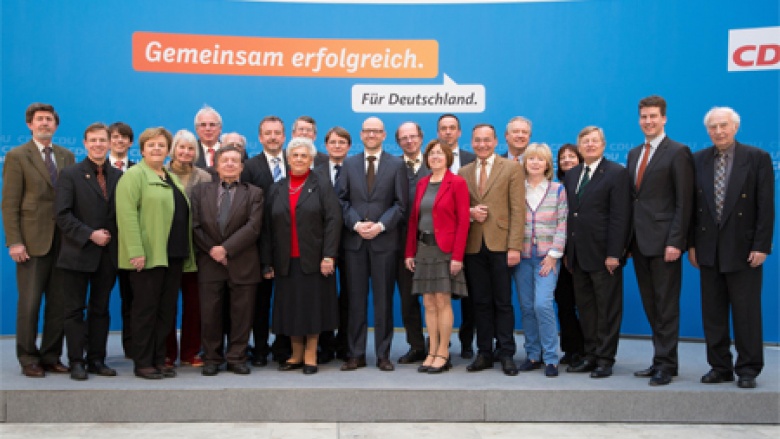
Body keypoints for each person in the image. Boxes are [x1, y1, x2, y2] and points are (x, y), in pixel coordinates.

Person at [689, 107, 774, 389]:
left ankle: (748, 368)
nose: (719, 131)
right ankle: (720, 366)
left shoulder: (757, 158)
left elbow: (766, 207)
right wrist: (691, 244)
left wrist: (762, 245)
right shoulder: (698, 159)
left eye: (724, 126)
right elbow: (692, 208)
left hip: (744, 248)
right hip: (708, 248)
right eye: (713, 127)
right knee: (712, 312)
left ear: (735, 127)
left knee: (746, 312)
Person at [116, 127, 196, 380]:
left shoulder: (168, 176)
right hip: (147, 257)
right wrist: (136, 252)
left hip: (171, 256)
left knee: (165, 311)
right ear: (141, 150)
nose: (157, 149)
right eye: (152, 145)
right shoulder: (134, 176)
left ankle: (159, 358)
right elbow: (127, 216)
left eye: (162, 145)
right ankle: (143, 362)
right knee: (145, 311)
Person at [2, 102, 75, 378]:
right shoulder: (18, 156)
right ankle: (28, 357)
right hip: (32, 242)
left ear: (56, 126)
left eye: (49, 120)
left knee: (59, 304)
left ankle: (51, 355)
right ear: (30, 124)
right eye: (39, 119)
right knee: (30, 304)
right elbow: (9, 204)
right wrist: (15, 241)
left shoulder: (67, 156)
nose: (45, 123)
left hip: (64, 243)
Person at [627, 95, 694, 386]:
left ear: (664, 118)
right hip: (640, 243)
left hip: (665, 242)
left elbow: (684, 201)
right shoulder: (633, 154)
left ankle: (665, 365)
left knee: (666, 306)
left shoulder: (678, 152)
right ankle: (662, 360)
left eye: (653, 116)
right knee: (652, 305)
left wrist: (676, 241)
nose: (648, 121)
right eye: (644, 116)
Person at [263, 138, 342, 375]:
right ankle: (296, 354)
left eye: (303, 156)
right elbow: (267, 227)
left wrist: (329, 256)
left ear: (311, 159)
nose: (298, 159)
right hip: (285, 262)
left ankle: (310, 355)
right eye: (294, 155)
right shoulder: (276, 188)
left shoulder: (322, 184)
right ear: (288, 159)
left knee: (313, 309)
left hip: (315, 261)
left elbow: (333, 221)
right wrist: (267, 262)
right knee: (291, 310)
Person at [337, 116, 408, 372]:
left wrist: (380, 226)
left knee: (383, 302)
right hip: (355, 242)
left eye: (376, 131)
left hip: (384, 242)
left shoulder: (397, 164)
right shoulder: (349, 163)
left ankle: (382, 355)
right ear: (361, 134)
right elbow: (341, 201)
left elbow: (401, 204)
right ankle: (355, 354)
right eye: (367, 131)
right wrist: (356, 224)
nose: (371, 135)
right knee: (355, 301)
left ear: (384, 135)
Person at [55, 123, 121, 381]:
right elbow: (62, 214)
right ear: (84, 143)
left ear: (109, 143)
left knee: (101, 310)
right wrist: (89, 234)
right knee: (74, 310)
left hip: (107, 256)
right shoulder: (70, 174)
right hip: (77, 253)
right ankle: (76, 361)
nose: (97, 144)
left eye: (102, 140)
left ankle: (97, 359)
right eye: (92, 140)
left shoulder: (117, 175)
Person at [563, 126, 631, 379]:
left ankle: (605, 358)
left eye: (594, 141)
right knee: (586, 308)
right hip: (578, 255)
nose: (590, 145)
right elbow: (571, 215)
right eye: (585, 142)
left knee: (607, 309)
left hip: (605, 255)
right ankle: (590, 354)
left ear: (603, 145)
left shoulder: (616, 173)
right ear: (579, 147)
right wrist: (569, 251)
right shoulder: (572, 174)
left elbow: (620, 216)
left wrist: (615, 253)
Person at [458, 124, 525, 376]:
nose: (482, 144)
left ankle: (506, 352)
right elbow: (457, 208)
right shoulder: (464, 172)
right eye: (477, 140)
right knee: (480, 302)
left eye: (487, 139)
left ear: (496, 141)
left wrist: (514, 246)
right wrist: (469, 213)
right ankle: (484, 352)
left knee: (503, 302)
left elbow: (518, 210)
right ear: (472, 142)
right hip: (473, 246)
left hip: (501, 245)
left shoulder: (511, 168)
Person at [191, 146, 263, 376]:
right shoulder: (200, 191)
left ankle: (237, 357)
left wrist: (226, 249)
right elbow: (194, 225)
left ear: (242, 167)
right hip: (209, 262)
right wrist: (213, 250)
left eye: (235, 161)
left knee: (242, 315)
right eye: (226, 160)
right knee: (210, 314)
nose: (230, 164)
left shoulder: (254, 193)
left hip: (243, 263)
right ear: (216, 165)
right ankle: (212, 357)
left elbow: (253, 227)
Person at [404, 139, 470, 374]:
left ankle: (443, 352)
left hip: (446, 251)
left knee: (442, 301)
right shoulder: (422, 183)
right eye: (431, 154)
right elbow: (414, 219)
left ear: (448, 158)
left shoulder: (457, 183)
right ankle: (431, 351)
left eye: (440, 154)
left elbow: (463, 222)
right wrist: (410, 251)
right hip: (423, 249)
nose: (435, 157)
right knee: (428, 303)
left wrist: (457, 257)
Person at [514, 143, 568, 377]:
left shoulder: (557, 190)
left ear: (547, 164)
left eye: (540, 159)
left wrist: (554, 255)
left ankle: (550, 358)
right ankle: (533, 354)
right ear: (524, 163)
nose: (535, 163)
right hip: (522, 258)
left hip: (547, 258)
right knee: (526, 307)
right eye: (531, 159)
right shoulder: (517, 189)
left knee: (542, 305)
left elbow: (563, 224)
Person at [241, 115, 291, 366]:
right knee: (260, 302)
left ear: (284, 136)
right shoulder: (249, 167)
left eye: (277, 133)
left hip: (291, 246)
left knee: (288, 300)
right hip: (259, 246)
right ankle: (259, 349)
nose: (273, 137)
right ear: (260, 138)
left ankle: (284, 347)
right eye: (268, 133)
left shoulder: (295, 163)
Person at [164, 129, 213, 368]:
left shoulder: (204, 177)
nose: (186, 152)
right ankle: (167, 353)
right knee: (167, 303)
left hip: (197, 249)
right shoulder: (161, 173)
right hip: (168, 248)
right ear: (173, 150)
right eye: (181, 147)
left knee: (195, 305)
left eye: (190, 148)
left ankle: (190, 352)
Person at [437, 113, 476, 359]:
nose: (448, 132)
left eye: (452, 128)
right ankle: (440, 343)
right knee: (438, 296)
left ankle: (466, 341)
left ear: (459, 132)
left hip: (469, 238)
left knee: (467, 295)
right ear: (438, 132)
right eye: (443, 128)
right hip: (436, 240)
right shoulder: (429, 160)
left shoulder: (473, 160)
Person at [313, 127, 353, 363]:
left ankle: (345, 344)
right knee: (324, 296)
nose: (337, 146)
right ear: (325, 146)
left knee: (350, 295)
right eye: (333, 142)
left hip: (350, 241)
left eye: (342, 142)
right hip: (322, 244)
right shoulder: (315, 172)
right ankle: (325, 344)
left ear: (349, 146)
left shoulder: (357, 169)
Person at [395, 122, 430, 365]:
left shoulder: (436, 164)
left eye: (413, 137)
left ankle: (439, 345)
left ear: (421, 138)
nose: (409, 141)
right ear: (398, 142)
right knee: (408, 301)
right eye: (404, 138)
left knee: (435, 300)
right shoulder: (392, 167)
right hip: (400, 245)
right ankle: (416, 345)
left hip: (432, 244)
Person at [554, 144, 585, 366]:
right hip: (558, 254)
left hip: (582, 253)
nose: (566, 160)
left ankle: (586, 349)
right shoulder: (556, 187)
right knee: (564, 303)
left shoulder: (587, 184)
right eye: (562, 157)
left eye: (571, 156)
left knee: (583, 304)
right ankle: (570, 348)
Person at [108, 122, 136, 357]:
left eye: (124, 138)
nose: (119, 141)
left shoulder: (140, 170)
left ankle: (132, 347)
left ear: (130, 143)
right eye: (115, 137)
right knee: (97, 302)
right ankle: (94, 352)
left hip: (132, 247)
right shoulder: (94, 170)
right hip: (102, 246)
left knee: (132, 300)